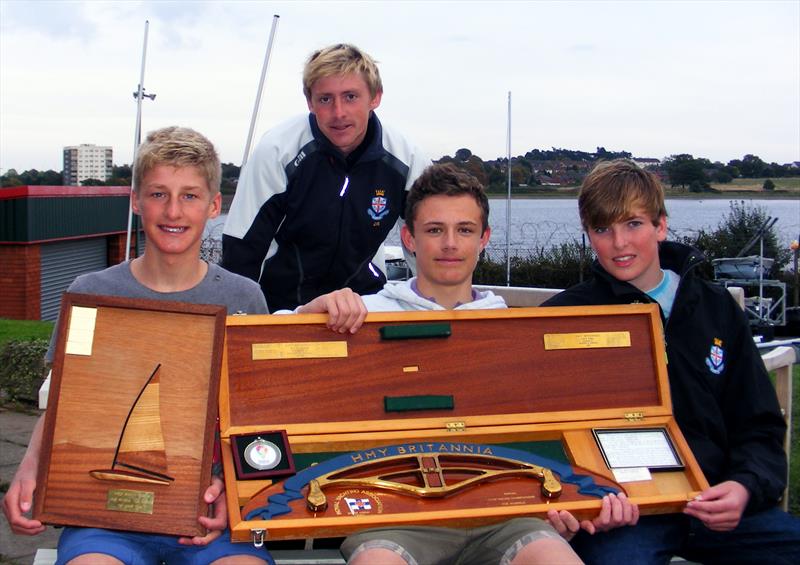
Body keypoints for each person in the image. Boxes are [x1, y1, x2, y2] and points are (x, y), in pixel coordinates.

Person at [293, 163, 636, 564]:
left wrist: (571, 502)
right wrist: (309, 312)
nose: (450, 244)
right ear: (410, 238)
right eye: (435, 230)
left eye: (465, 230)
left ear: (484, 238)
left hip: (508, 514)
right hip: (392, 516)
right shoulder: (363, 314)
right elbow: (266, 354)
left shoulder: (511, 326)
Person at [2, 127, 272, 565]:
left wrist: (238, 491)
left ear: (214, 205)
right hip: (104, 515)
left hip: (210, 514)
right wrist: (30, 467)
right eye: (158, 194)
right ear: (135, 200)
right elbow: (62, 402)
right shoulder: (90, 292)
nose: (173, 211)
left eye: (190, 196)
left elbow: (259, 418)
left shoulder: (245, 299)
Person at [543, 159, 800, 564]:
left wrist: (744, 487)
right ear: (588, 235)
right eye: (602, 229)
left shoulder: (715, 308)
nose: (619, 243)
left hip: (718, 503)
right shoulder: (562, 317)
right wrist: (586, 501)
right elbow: (547, 433)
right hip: (625, 516)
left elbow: (759, 423)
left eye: (633, 224)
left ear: (661, 226)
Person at [222, 43, 429, 313]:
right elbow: (242, 251)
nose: (338, 112)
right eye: (325, 99)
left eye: (351, 96)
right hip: (282, 310)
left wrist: (428, 313)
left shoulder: (407, 158)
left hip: (364, 305)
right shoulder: (276, 152)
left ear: (375, 97)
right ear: (310, 102)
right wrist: (244, 326)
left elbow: (429, 242)